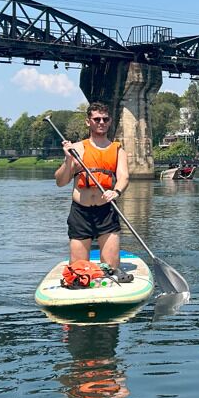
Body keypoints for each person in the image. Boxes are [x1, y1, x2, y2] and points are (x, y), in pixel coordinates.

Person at [55, 102, 129, 271]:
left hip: (107, 212)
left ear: (110, 121)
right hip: (81, 212)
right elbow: (60, 182)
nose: (101, 122)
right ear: (88, 122)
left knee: (110, 268)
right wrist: (68, 160)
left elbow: (124, 177)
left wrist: (116, 191)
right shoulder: (77, 149)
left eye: (105, 119)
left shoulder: (118, 150)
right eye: (97, 119)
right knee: (79, 270)